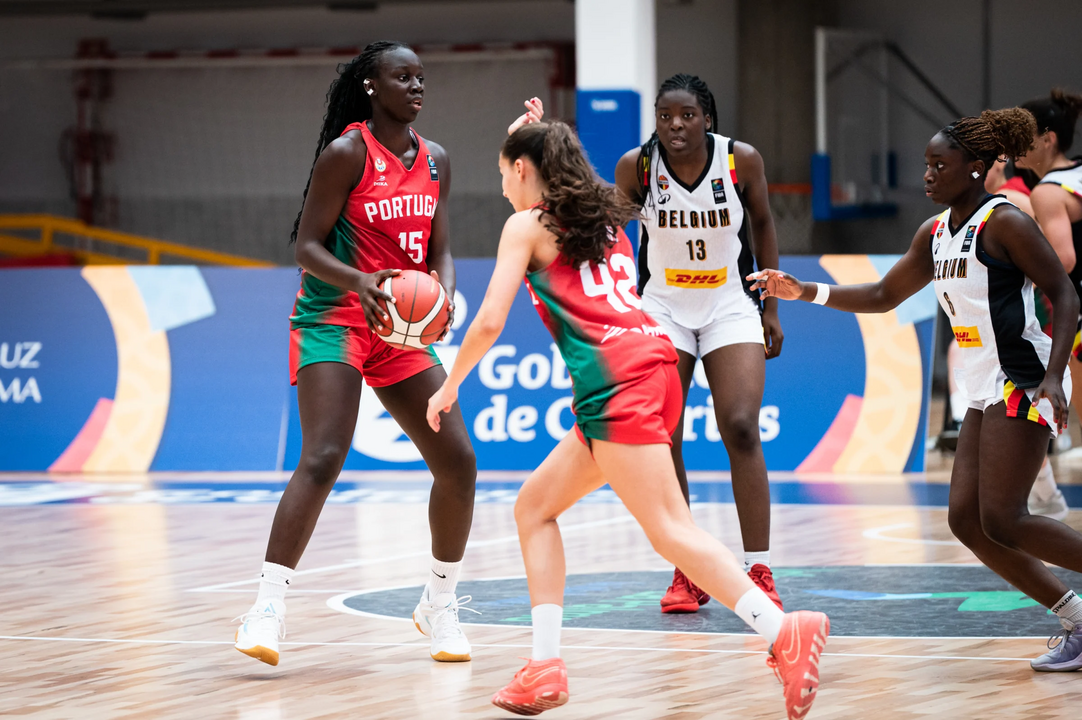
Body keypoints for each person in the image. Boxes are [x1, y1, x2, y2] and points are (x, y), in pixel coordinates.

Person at [426, 120, 829, 719]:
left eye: (504, 173)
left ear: (520, 169)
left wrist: (448, 386)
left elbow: (487, 322)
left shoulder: (525, 226)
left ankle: (782, 631)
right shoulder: (605, 219)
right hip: (651, 366)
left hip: (618, 383)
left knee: (669, 529)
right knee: (533, 508)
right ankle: (544, 666)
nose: (505, 189)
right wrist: (533, 131)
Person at [750, 107, 1082, 673]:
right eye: (926, 165)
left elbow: (1065, 292)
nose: (927, 175)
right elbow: (883, 295)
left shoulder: (1005, 221)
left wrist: (1052, 378)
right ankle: (1076, 617)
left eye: (939, 165)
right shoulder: (934, 233)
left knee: (1003, 517)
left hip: (1021, 377)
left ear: (975, 168)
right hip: (981, 384)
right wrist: (803, 289)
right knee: (964, 520)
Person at [233, 41, 480, 666]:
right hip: (336, 314)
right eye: (403, 77)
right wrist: (359, 282)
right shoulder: (346, 154)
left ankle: (439, 603)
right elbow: (307, 247)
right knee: (323, 454)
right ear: (372, 86)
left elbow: (439, 247)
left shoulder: (436, 160)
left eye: (422, 77)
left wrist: (445, 293)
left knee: (458, 462)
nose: (417, 86)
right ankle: (266, 606)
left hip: (399, 327)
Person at [614, 74, 784, 613]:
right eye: (666, 116)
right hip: (662, 306)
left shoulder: (740, 160)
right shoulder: (637, 167)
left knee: (739, 424)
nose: (676, 125)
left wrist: (772, 306)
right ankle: (689, 570)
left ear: (707, 118)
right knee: (663, 434)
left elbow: (762, 224)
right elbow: (613, 232)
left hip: (729, 303)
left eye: (687, 115)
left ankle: (758, 567)